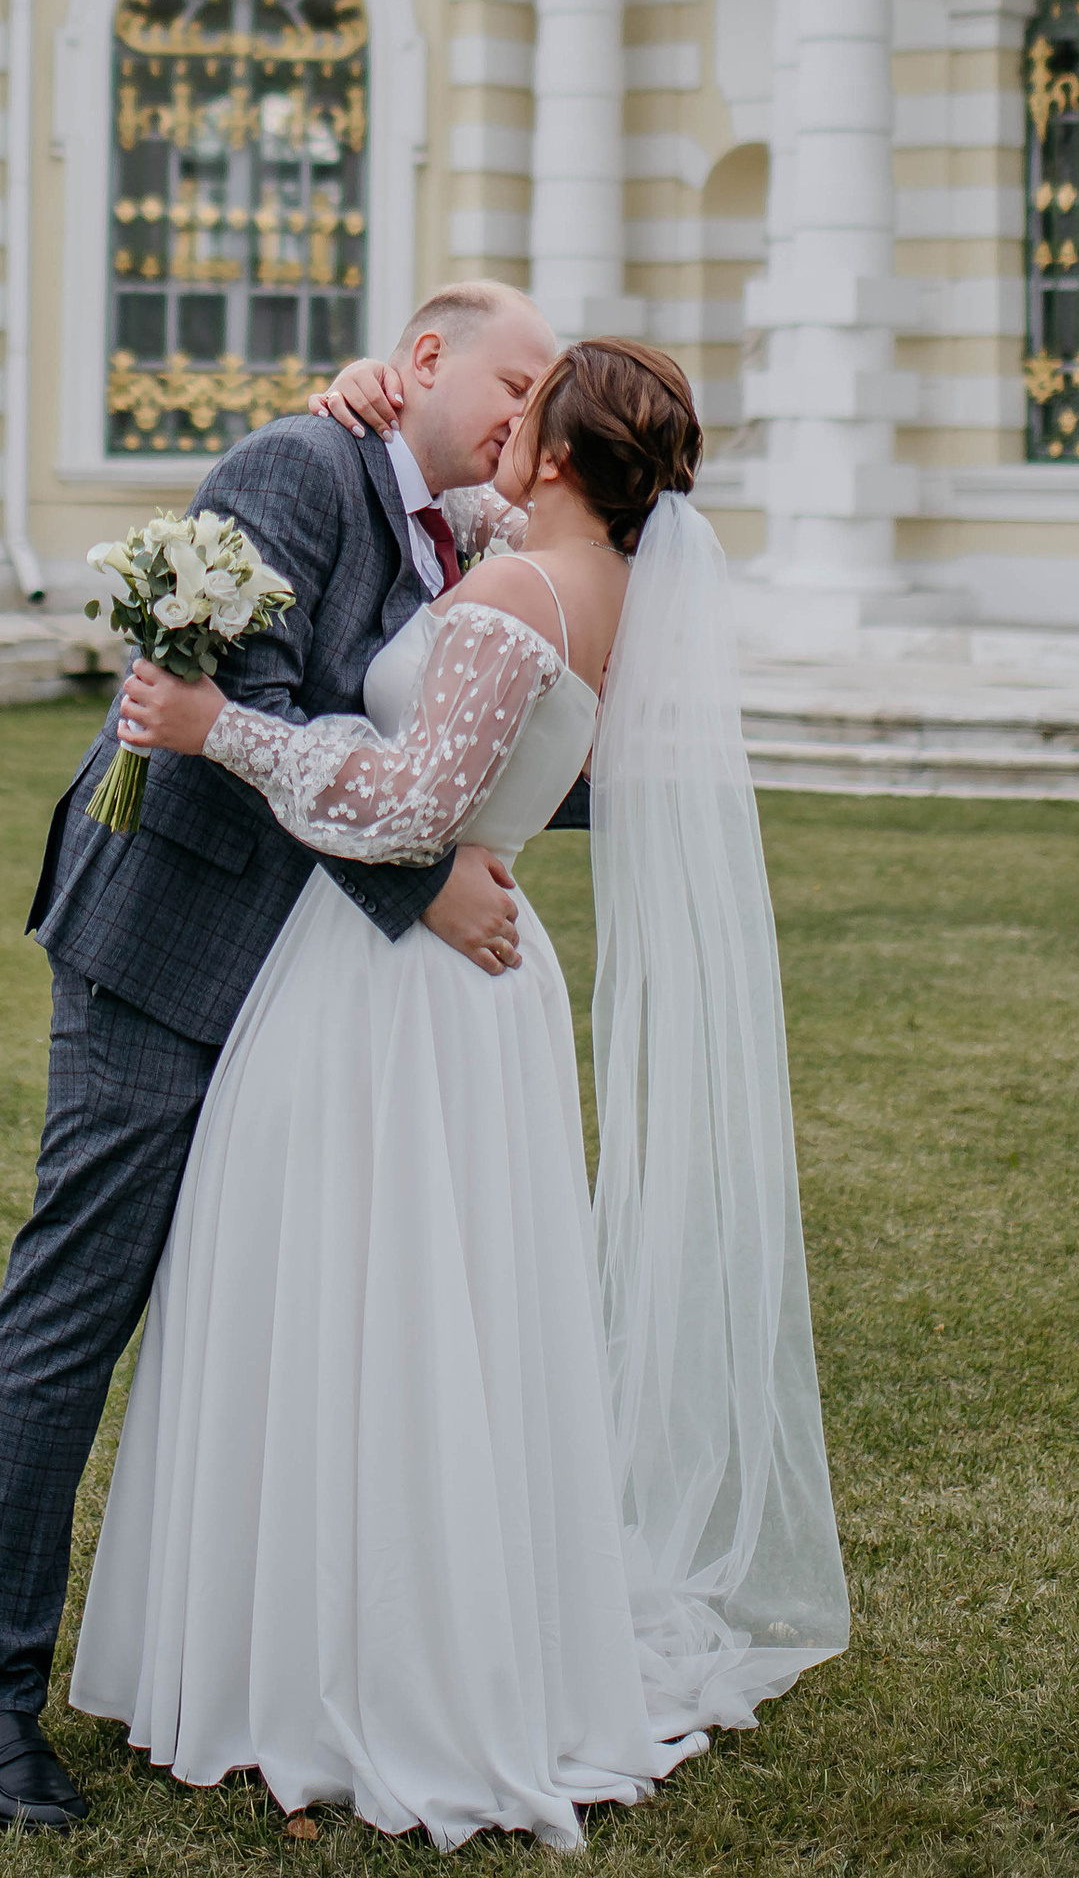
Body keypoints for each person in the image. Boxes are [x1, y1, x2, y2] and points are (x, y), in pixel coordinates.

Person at [74, 338, 847, 1850]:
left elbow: (410, 807)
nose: (504, 423)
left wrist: (210, 724)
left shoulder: (513, 599)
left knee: (359, 1298)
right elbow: (453, 515)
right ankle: (425, 1618)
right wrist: (361, 399)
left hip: (396, 993)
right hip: (481, 990)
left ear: (560, 456)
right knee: (446, 1308)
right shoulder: (599, 583)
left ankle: (352, 1664)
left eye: (526, 409)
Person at [0, 280, 562, 1831]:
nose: (524, 412)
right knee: (77, 1301)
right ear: (421, 358)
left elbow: (429, 740)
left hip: (304, 993)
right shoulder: (302, 466)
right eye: (512, 377)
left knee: (267, 1325)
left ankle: (256, 1664)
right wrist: (419, 881)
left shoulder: (466, 529)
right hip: (165, 946)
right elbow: (250, 714)